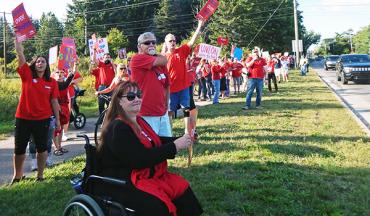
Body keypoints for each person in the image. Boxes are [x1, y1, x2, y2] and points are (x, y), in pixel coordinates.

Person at [97, 81, 203, 216]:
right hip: (127, 181)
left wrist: (182, 139)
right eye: (130, 97)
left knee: (182, 187)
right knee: (161, 206)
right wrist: (175, 146)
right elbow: (140, 159)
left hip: (149, 175)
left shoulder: (138, 120)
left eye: (139, 95)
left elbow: (155, 141)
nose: (136, 99)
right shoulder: (118, 127)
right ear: (119, 102)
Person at [12, 39, 60, 183]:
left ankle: (40, 176)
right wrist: (18, 39)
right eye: (38, 61)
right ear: (34, 64)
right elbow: (20, 54)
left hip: (43, 119)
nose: (40, 63)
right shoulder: (27, 75)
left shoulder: (52, 82)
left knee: (42, 149)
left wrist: (57, 120)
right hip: (23, 118)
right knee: (19, 149)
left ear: (47, 65)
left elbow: (54, 101)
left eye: (43, 62)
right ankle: (17, 176)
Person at [162, 20, 204, 136]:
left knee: (186, 109)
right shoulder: (163, 58)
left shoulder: (181, 51)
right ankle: (169, 133)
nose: (173, 42)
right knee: (169, 112)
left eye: (174, 40)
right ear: (166, 42)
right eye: (170, 41)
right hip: (171, 90)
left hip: (184, 87)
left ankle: (187, 132)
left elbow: (192, 41)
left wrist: (199, 26)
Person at [130, 32, 172, 137]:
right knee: (151, 148)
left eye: (153, 42)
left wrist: (166, 106)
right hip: (146, 114)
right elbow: (164, 59)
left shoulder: (160, 64)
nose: (151, 45)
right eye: (147, 43)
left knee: (167, 146)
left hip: (162, 114)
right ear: (139, 47)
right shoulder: (137, 59)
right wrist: (160, 56)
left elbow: (166, 85)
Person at [51, 67, 76, 156]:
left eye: (61, 72)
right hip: (55, 108)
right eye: (57, 72)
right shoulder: (53, 84)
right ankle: (56, 148)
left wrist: (74, 68)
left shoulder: (64, 84)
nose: (60, 74)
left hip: (64, 107)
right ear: (53, 75)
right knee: (55, 128)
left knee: (61, 127)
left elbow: (70, 77)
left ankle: (60, 146)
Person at [92, 50, 116, 114]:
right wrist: (94, 50)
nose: (107, 58)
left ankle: (109, 119)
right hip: (102, 87)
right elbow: (94, 60)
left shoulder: (113, 65)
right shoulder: (101, 64)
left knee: (110, 105)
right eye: (106, 57)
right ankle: (101, 119)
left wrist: (112, 64)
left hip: (111, 87)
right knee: (101, 104)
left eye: (108, 57)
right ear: (103, 58)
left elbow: (117, 73)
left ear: (110, 58)